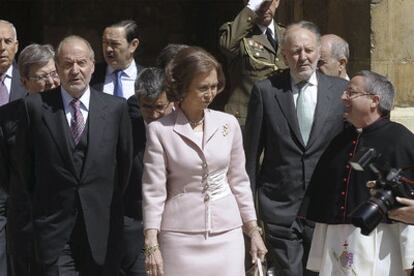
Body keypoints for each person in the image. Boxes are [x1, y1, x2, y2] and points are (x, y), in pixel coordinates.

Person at [10, 35, 133, 275]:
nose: (75, 70)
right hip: (54, 231)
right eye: (67, 64)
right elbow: (24, 170)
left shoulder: (116, 108)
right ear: (57, 67)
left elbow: (124, 168)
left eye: (81, 63)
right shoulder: (34, 108)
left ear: (92, 65)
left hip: (101, 231)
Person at [142, 46, 267, 276]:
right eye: (202, 88)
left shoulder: (228, 124)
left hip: (227, 235)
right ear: (182, 88)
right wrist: (151, 242)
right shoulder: (159, 131)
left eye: (214, 86)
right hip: (179, 237)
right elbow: (154, 190)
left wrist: (253, 231)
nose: (210, 94)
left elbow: (239, 181)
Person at [244, 21, 348, 276]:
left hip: (324, 207)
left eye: (309, 50)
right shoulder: (266, 91)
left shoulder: (340, 92)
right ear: (284, 55)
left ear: (318, 52)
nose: (303, 57)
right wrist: (251, 217)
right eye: (295, 51)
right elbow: (250, 155)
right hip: (280, 205)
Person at [305, 70, 414, 275]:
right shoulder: (339, 141)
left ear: (374, 100)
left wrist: (410, 259)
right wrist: (318, 256)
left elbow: (408, 207)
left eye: (351, 93)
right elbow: (325, 205)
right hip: (335, 243)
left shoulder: (400, 140)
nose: (343, 97)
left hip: (383, 244)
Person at [4, 43, 60, 276]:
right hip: (26, 221)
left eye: (54, 73)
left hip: (63, 219)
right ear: (24, 82)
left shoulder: (72, 111)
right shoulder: (7, 118)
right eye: (42, 76)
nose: (51, 82)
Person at [122, 67, 173, 276]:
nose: (154, 115)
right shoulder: (125, 132)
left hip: (178, 231)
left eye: (160, 107)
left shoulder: (185, 128)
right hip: (136, 235)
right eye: (147, 107)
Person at [219, 0, 287, 126]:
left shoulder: (286, 34)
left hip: (279, 118)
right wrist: (252, 8)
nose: (264, 7)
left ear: (277, 2)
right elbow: (227, 46)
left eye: (267, 1)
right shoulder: (237, 33)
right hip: (247, 119)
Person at [0, 19, 26, 276]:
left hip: (20, 187)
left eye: (7, 41)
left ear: (16, 46)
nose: (1, 47)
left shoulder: (27, 82)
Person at [91, 19, 144, 99]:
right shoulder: (91, 74)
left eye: (114, 44)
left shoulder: (146, 77)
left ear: (133, 45)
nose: (108, 49)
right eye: (105, 42)